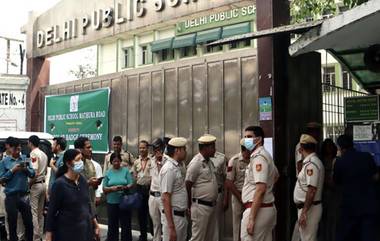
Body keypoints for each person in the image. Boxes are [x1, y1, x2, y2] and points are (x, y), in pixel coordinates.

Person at [45, 149, 100, 241]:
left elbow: (88, 204)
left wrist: (95, 224)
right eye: (78, 160)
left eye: (81, 159)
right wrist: (48, 234)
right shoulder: (60, 184)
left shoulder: (82, 180)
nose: (81, 162)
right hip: (67, 232)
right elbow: (51, 211)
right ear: (68, 163)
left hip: (85, 231)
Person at [334, 134, 378, 241]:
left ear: (340, 147)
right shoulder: (366, 156)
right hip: (368, 206)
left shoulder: (340, 162)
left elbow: (336, 181)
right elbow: (376, 176)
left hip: (350, 208)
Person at [240, 126, 279, 241]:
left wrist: (251, 218)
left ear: (259, 139)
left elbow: (260, 189)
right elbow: (276, 175)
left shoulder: (259, 157)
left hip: (257, 210)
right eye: (245, 137)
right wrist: (268, 189)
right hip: (265, 208)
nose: (246, 140)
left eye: (249, 137)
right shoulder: (265, 155)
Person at [0, 137, 35, 241]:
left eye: (19, 148)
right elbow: (1, 179)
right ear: (9, 148)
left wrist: (26, 169)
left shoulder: (25, 158)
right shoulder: (4, 162)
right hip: (11, 196)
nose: (18, 150)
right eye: (15, 148)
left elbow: (33, 174)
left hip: (24, 196)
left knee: (29, 223)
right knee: (12, 224)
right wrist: (12, 170)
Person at [292, 122, 322, 241]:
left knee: (307, 237)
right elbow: (300, 166)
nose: (316, 133)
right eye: (313, 130)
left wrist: (304, 211)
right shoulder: (308, 158)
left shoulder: (311, 163)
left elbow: (311, 189)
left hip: (309, 206)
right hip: (306, 205)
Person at [185, 134, 218, 241]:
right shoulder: (196, 163)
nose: (215, 149)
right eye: (212, 147)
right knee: (198, 238)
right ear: (205, 148)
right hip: (200, 207)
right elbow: (188, 185)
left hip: (211, 206)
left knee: (209, 237)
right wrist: (189, 205)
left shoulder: (209, 162)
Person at [160, 137, 188, 241]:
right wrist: (171, 228)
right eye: (184, 149)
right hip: (174, 218)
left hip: (180, 217)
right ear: (177, 150)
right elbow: (165, 198)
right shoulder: (169, 169)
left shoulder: (178, 166)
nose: (186, 152)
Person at [103, 152, 134, 241]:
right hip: (112, 202)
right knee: (112, 224)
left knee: (126, 224)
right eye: (114, 161)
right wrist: (112, 189)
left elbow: (131, 183)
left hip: (124, 201)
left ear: (120, 161)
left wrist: (125, 187)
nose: (116, 163)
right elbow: (104, 188)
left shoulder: (125, 171)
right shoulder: (108, 173)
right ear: (111, 162)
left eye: (118, 161)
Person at [226, 139, 251, 241]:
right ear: (244, 150)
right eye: (248, 152)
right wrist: (241, 198)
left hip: (250, 197)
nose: (249, 154)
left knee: (249, 222)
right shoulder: (234, 161)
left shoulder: (253, 159)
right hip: (238, 196)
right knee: (237, 224)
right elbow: (229, 183)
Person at [74, 137, 102, 215]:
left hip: (89, 205)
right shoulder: (72, 164)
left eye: (91, 147)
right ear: (79, 149)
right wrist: (88, 182)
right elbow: (71, 185)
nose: (91, 149)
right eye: (88, 147)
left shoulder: (90, 164)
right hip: (76, 205)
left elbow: (94, 187)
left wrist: (96, 183)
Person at [28, 135, 48, 241]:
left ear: (31, 143)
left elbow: (34, 173)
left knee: (34, 212)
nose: (27, 144)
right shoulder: (44, 154)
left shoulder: (33, 153)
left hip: (35, 185)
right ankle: (40, 235)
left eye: (28, 142)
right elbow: (46, 171)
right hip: (43, 184)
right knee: (40, 213)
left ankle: (36, 237)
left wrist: (29, 184)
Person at [319, 139, 340, 241]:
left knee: (333, 219)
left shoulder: (337, 161)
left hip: (333, 194)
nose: (330, 148)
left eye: (331, 146)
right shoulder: (320, 161)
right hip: (323, 194)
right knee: (324, 219)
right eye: (327, 146)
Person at [132, 140, 152, 241]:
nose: (142, 150)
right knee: (141, 214)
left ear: (147, 148)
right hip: (139, 189)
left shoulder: (152, 160)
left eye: (144, 148)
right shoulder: (136, 161)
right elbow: (134, 173)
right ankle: (143, 236)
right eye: (140, 148)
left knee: (152, 214)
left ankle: (155, 235)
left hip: (150, 189)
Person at [210, 143, 228, 241]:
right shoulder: (198, 159)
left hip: (218, 194)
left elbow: (226, 179)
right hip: (203, 197)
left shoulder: (221, 158)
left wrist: (225, 198)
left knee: (216, 223)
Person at [149, 138, 166, 241]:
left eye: (157, 148)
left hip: (162, 196)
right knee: (155, 224)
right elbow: (152, 179)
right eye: (154, 149)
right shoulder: (151, 160)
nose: (155, 151)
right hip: (152, 196)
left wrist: (160, 162)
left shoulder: (167, 161)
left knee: (165, 223)